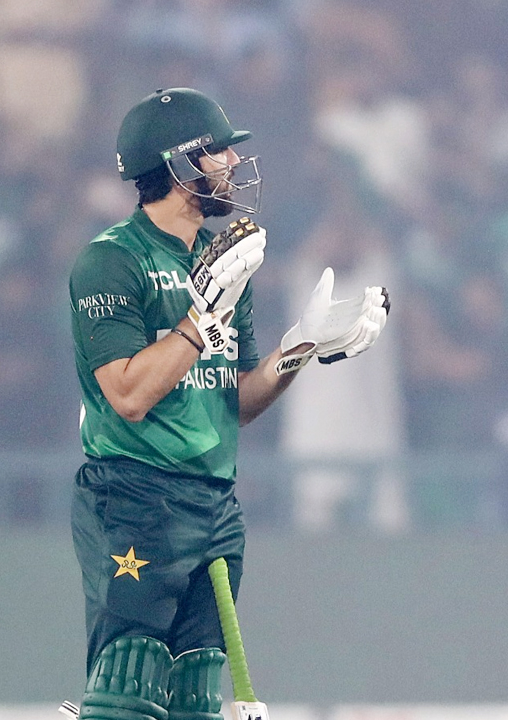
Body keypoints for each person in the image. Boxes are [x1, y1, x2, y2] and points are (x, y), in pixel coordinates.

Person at [67, 87, 390, 720]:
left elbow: (235, 400)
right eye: (218, 151)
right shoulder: (111, 260)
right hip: (134, 497)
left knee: (196, 698)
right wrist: (201, 316)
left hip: (214, 501)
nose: (235, 163)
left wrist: (299, 349)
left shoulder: (223, 264)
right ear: (178, 163)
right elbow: (128, 395)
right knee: (127, 685)